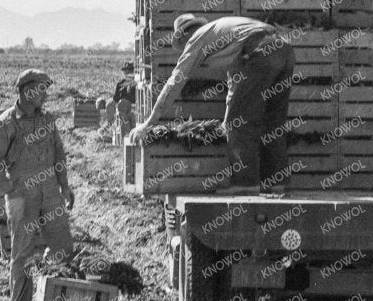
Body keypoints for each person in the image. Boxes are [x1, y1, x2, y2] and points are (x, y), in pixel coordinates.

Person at [130, 15, 293, 193]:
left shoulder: (197, 38)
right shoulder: (223, 32)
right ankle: (277, 182)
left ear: (184, 36)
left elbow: (174, 83)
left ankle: (246, 184)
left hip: (260, 52)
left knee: (237, 123)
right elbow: (235, 78)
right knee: (273, 121)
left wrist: (149, 122)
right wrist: (228, 114)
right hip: (284, 50)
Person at [0, 68, 76, 301]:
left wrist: (64, 186)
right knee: (23, 254)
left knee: (63, 247)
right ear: (27, 91)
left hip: (50, 194)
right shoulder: (6, 123)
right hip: (22, 196)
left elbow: (59, 153)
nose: (46, 95)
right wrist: (10, 193)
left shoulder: (47, 120)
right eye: (41, 90)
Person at [110, 63, 138, 138]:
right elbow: (115, 99)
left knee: (132, 117)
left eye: (130, 71)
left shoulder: (136, 83)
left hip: (134, 109)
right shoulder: (120, 84)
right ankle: (126, 137)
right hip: (122, 111)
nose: (128, 73)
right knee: (122, 116)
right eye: (126, 71)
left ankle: (131, 137)